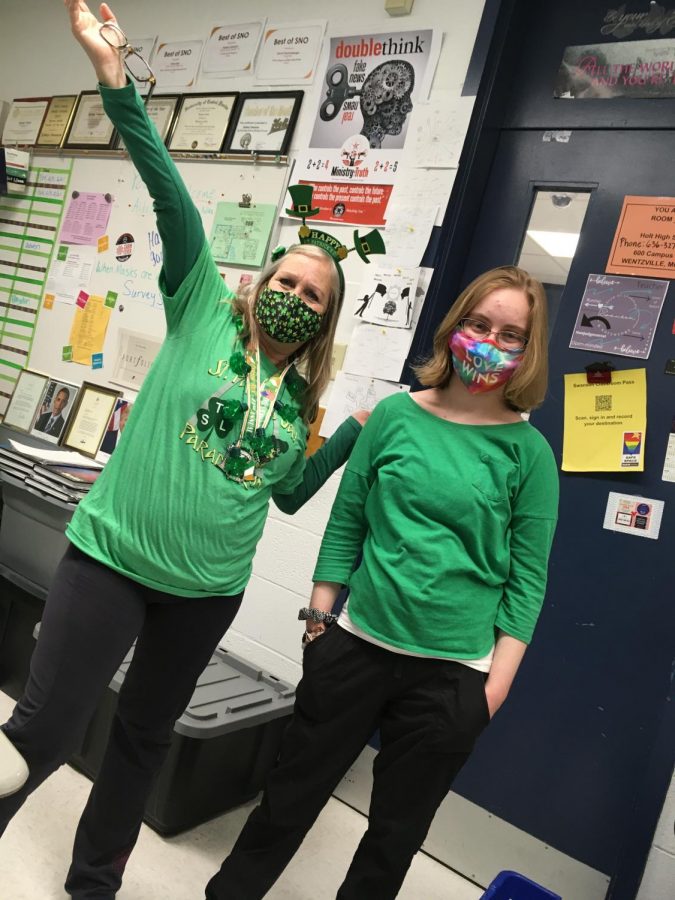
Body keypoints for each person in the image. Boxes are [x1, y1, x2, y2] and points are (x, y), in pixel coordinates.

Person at [0, 2, 383, 897]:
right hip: (111, 561)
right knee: (44, 732)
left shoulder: (300, 401)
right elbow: (169, 190)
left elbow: (285, 493)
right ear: (260, 283)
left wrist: (358, 432)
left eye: (313, 294)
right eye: (286, 277)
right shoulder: (203, 305)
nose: (294, 294)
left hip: (204, 595)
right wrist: (115, 78)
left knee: (141, 739)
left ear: (324, 320)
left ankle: (93, 880)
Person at [207, 265, 560, 900]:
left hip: (454, 676)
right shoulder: (394, 416)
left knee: (393, 837)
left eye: (511, 334)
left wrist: (495, 686)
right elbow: (346, 524)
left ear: (526, 352)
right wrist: (319, 621)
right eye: (479, 324)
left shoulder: (528, 454)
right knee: (286, 801)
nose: (490, 341)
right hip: (356, 647)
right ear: (456, 327)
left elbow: (528, 579)